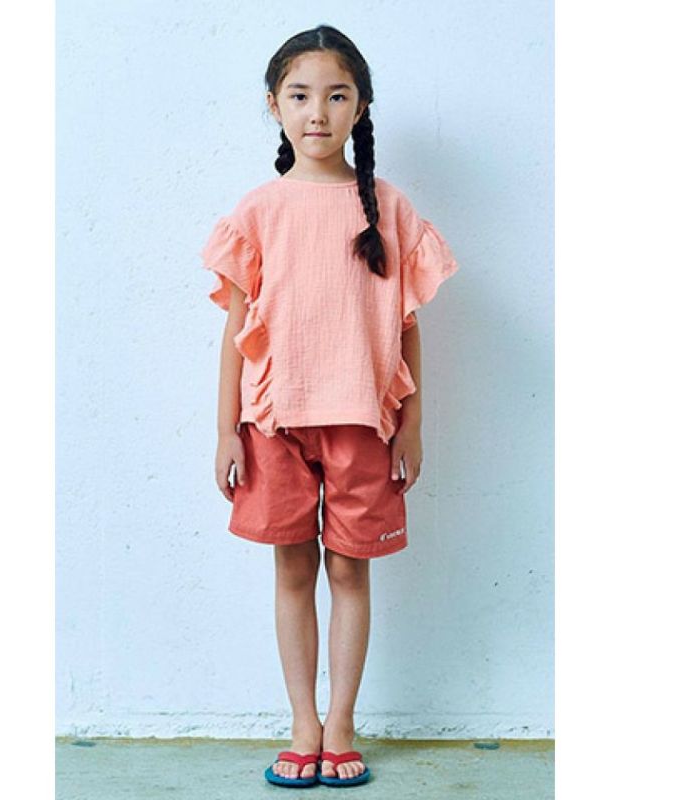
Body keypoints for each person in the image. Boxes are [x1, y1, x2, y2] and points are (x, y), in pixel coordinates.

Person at [200, 24, 459, 788]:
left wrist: (413, 424)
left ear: (361, 106)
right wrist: (226, 430)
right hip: (273, 423)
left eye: (337, 96)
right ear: (274, 106)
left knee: (350, 573)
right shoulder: (257, 211)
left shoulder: (391, 209)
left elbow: (406, 327)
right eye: (300, 95)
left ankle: (341, 725)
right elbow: (234, 333)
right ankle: (302, 724)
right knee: (292, 572)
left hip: (364, 425)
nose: (318, 112)